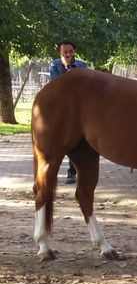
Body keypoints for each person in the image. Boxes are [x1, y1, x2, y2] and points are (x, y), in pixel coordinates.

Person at [49, 40, 88, 184]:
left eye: (70, 52)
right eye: (65, 52)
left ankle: (72, 172)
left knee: (76, 142)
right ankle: (51, 173)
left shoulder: (82, 66)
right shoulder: (54, 65)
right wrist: (70, 75)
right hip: (60, 111)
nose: (68, 55)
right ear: (60, 52)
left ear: (74, 51)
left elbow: (87, 85)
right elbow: (56, 84)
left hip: (77, 110)